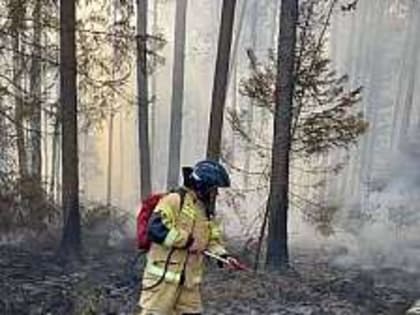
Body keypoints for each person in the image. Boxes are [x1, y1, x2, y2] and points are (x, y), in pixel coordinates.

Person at [138, 159, 241, 315]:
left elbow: (211, 239)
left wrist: (223, 256)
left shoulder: (203, 211)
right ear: (203, 186)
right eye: (213, 189)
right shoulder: (173, 200)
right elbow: (156, 229)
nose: (215, 193)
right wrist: (186, 241)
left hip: (188, 286)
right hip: (161, 284)